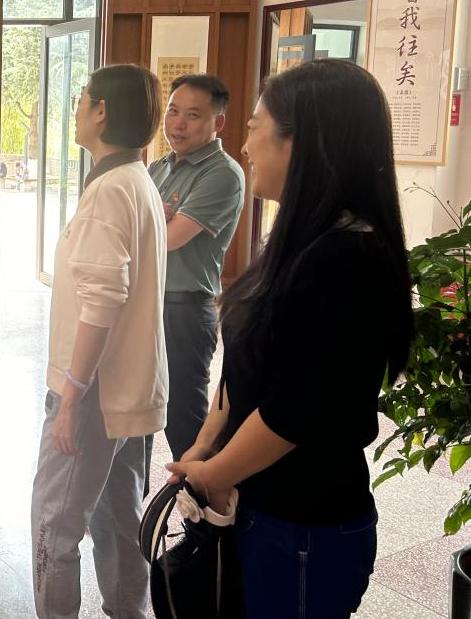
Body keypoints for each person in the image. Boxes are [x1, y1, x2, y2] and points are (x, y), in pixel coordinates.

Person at [166, 59, 413, 618]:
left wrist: (214, 473)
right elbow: (246, 363)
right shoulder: (301, 238)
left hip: (305, 526)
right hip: (264, 507)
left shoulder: (347, 255)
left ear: (302, 143)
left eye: (255, 126)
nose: (246, 144)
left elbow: (297, 409)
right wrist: (205, 442)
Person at [31, 64, 167, 619]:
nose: (76, 110)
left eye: (82, 99)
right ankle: (128, 612)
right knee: (117, 516)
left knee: (54, 525)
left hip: (93, 393)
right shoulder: (136, 179)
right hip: (126, 391)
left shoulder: (110, 190)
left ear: (102, 111)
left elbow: (103, 301)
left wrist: (71, 397)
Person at [148, 74, 245, 460]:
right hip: (148, 302)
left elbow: (169, 239)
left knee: (183, 420)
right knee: (139, 413)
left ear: (217, 122)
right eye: (173, 111)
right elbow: (134, 228)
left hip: (184, 311)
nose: (178, 124)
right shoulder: (159, 166)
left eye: (192, 115)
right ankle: (137, 498)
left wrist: (153, 219)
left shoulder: (222, 173)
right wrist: (159, 216)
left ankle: (202, 496)